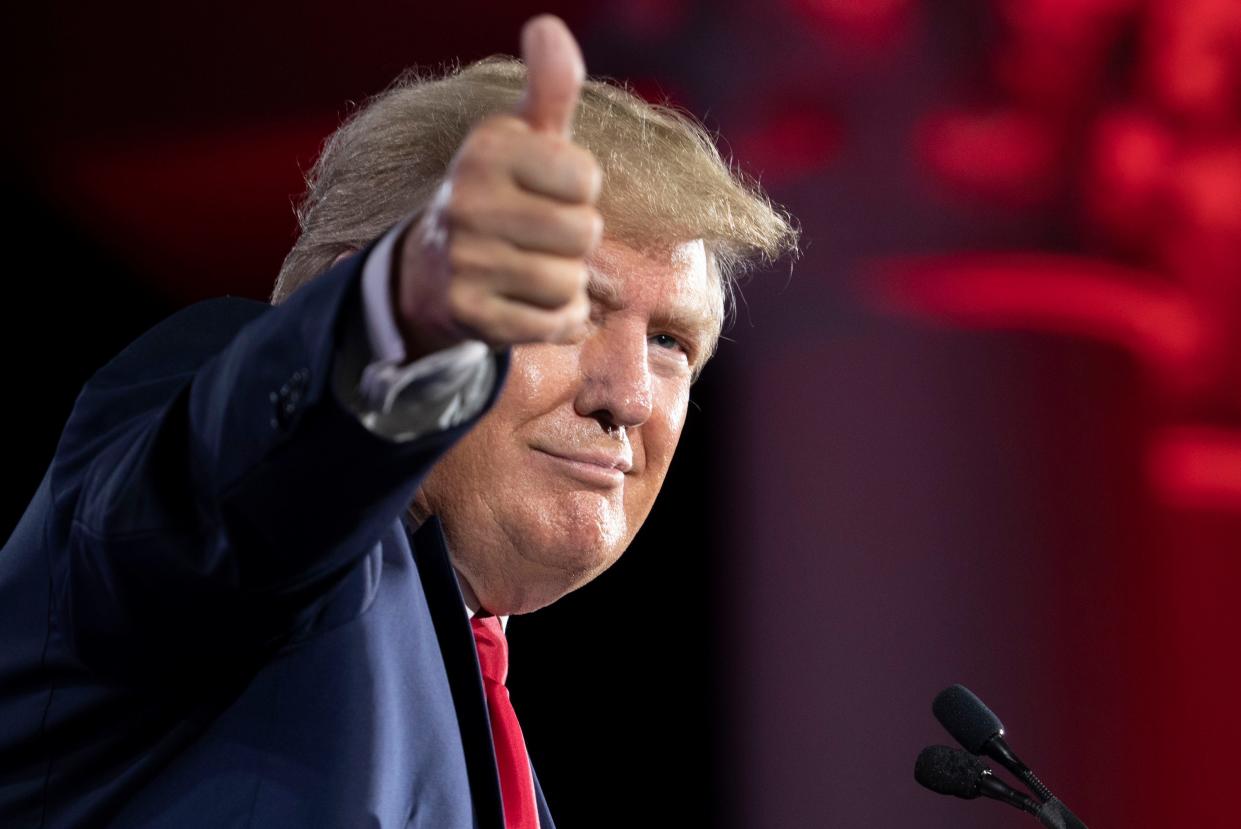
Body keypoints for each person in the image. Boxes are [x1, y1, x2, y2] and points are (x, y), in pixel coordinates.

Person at [0, 15, 796, 829]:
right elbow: (236, 478)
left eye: (669, 341)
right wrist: (397, 321)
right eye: (563, 305)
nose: (626, 395)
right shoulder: (245, 524)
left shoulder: (484, 731)